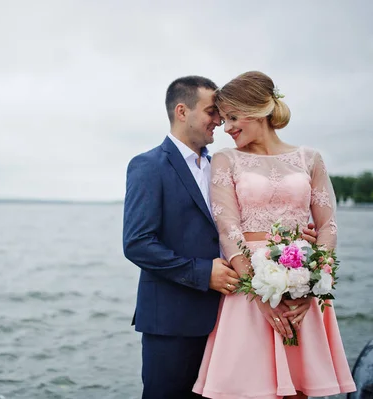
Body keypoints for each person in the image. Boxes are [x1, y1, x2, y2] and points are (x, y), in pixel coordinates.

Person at [123, 76, 317, 399]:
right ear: (182, 111)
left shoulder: (224, 166)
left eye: (223, 115)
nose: (219, 121)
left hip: (230, 319)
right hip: (173, 323)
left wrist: (297, 236)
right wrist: (203, 273)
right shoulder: (148, 166)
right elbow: (137, 243)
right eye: (212, 112)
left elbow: (250, 220)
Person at [192, 71, 357, 399]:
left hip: (301, 290)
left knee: (299, 389)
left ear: (259, 110)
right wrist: (260, 296)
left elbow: (328, 226)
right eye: (224, 119)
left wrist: (314, 284)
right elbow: (228, 227)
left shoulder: (310, 158)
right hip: (249, 290)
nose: (227, 127)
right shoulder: (226, 159)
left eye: (234, 117)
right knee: (246, 389)